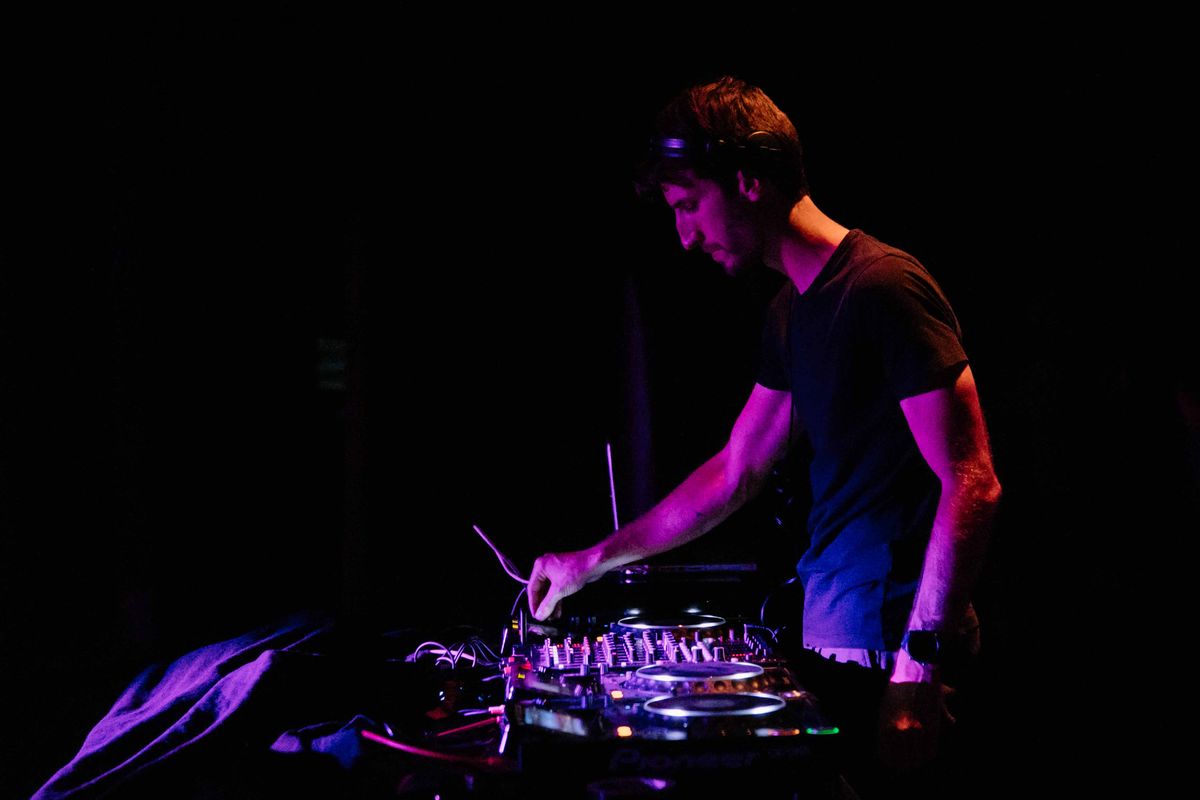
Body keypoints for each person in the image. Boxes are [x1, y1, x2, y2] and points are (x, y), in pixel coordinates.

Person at [527, 76, 1001, 793]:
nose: (685, 236)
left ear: (747, 180)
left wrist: (918, 666)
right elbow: (737, 470)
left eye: (688, 205)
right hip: (838, 642)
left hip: (894, 650)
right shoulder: (790, 311)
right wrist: (590, 561)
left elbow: (972, 481)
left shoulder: (885, 288)